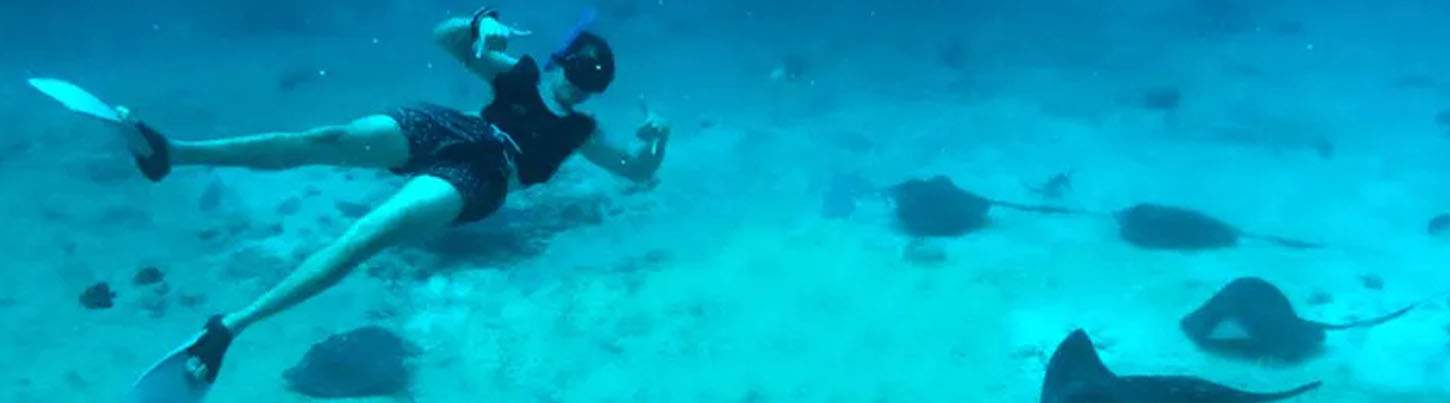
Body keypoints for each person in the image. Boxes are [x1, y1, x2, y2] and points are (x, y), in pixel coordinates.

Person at [122, 7, 670, 385]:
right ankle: (171, 153)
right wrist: (478, 22)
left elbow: (638, 172)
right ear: (559, 62)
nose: (577, 87)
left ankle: (230, 327)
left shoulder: (582, 132)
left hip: (487, 178)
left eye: (591, 85)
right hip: (452, 127)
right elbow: (445, 38)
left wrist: (658, 137)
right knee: (325, 140)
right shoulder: (521, 75)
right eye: (575, 72)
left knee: (367, 234)